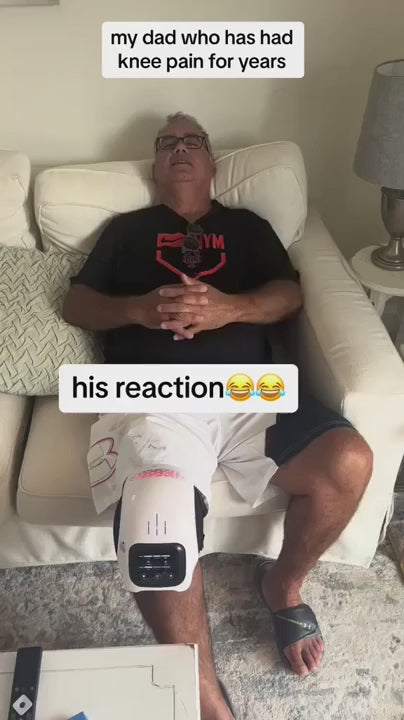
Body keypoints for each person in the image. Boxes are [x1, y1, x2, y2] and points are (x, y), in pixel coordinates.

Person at [63, 112, 373, 720]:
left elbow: (289, 294)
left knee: (349, 461)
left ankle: (283, 583)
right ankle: (207, 703)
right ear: (156, 164)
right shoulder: (126, 230)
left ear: (211, 161)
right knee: (156, 525)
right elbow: (77, 303)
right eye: (167, 143)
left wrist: (232, 309)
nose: (179, 149)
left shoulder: (248, 227)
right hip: (152, 398)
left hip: (249, 392)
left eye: (192, 141)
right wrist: (138, 310)